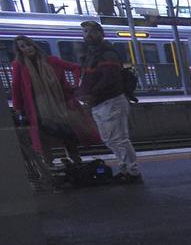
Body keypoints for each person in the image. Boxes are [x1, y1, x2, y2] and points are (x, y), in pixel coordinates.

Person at [8, 35, 96, 188]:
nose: (27, 48)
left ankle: (76, 163)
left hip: (60, 106)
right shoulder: (18, 66)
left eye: (28, 44)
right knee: (43, 139)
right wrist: (17, 108)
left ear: (33, 45)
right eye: (22, 46)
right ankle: (48, 168)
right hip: (36, 110)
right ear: (19, 50)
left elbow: (76, 68)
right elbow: (16, 88)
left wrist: (74, 86)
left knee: (67, 134)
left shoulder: (52, 60)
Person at [77, 20, 142, 184]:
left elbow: (109, 79)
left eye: (92, 31)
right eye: (85, 32)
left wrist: (91, 95)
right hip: (99, 102)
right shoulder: (92, 54)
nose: (88, 35)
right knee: (110, 139)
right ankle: (125, 169)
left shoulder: (107, 54)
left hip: (111, 101)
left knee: (119, 139)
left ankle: (132, 172)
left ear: (101, 33)